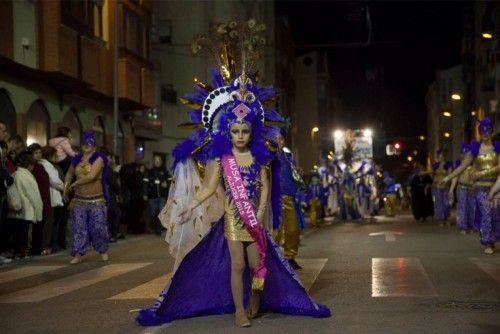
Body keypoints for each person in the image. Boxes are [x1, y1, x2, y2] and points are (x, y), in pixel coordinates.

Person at [136, 24, 330, 327]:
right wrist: (190, 206)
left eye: (244, 130)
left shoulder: (259, 155)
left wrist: (262, 209)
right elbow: (209, 189)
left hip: (254, 218)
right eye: (235, 130)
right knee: (237, 265)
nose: (240, 135)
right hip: (232, 218)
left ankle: (254, 298)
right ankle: (239, 310)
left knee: (258, 266)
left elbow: (265, 185)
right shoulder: (220, 158)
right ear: (229, 130)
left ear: (252, 130)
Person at [442, 118, 500, 254]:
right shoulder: (475, 150)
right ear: (479, 133)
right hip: (480, 188)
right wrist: (447, 178)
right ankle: (488, 242)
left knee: (495, 214)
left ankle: (494, 239)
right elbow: (462, 167)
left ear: (491, 131)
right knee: (486, 213)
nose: (485, 133)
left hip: (496, 187)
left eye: (488, 130)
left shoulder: (497, 148)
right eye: (482, 131)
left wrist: (482, 173)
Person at [63, 131, 109, 264]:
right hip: (79, 200)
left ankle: (102, 250)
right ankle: (78, 254)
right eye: (84, 143)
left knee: (98, 228)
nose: (86, 145)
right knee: (78, 227)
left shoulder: (99, 159)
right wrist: (65, 190)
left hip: (96, 200)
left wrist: (76, 183)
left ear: (94, 146)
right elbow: (69, 174)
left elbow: (92, 176)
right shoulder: (76, 159)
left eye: (89, 143)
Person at [273, 132, 306, 270]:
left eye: (280, 139)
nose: (278, 142)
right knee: (275, 231)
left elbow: (292, 174)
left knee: (293, 229)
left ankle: (290, 257)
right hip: (274, 198)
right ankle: (274, 259)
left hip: (290, 197)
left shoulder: (288, 157)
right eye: (275, 139)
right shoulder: (268, 157)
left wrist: (297, 173)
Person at [7, 152, 43, 259]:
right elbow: (34, 196)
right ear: (30, 165)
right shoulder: (27, 176)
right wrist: (38, 212)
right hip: (26, 210)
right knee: (25, 233)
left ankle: (17, 252)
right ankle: (23, 252)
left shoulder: (14, 174)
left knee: (16, 233)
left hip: (14, 210)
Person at [27, 143, 52, 256]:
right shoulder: (33, 167)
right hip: (38, 197)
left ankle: (40, 247)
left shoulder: (41, 166)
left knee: (43, 224)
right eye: (36, 153)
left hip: (45, 197)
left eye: (40, 152)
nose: (38, 155)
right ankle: (36, 248)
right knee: (37, 225)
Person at [39, 146, 64, 252]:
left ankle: (53, 244)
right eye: (55, 155)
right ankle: (50, 245)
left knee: (53, 222)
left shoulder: (47, 165)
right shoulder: (47, 165)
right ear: (49, 155)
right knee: (51, 223)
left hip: (54, 196)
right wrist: (65, 187)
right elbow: (54, 181)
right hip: (52, 196)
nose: (57, 156)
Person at [449, 144, 475, 233]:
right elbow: (455, 177)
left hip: (472, 188)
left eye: (467, 153)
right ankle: (463, 227)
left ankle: (472, 226)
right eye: (463, 153)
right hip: (462, 187)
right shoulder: (459, 164)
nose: (464, 154)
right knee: (462, 207)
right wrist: (451, 190)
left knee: (472, 207)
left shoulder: (474, 163)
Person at [142, 155, 171, 236]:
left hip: (162, 196)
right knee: (153, 213)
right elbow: (145, 183)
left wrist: (167, 184)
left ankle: (158, 229)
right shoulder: (149, 172)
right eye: (156, 160)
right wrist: (144, 193)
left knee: (160, 212)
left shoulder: (165, 172)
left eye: (158, 160)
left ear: (161, 162)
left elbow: (171, 182)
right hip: (152, 196)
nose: (157, 162)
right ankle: (155, 227)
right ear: (153, 162)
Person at [432, 150, 453, 226]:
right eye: (439, 156)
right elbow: (432, 174)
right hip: (437, 186)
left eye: (442, 156)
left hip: (445, 185)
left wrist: (446, 183)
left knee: (446, 203)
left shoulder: (448, 164)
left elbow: (450, 175)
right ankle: (441, 219)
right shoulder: (435, 165)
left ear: (444, 157)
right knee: (439, 203)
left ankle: (447, 218)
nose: (440, 158)